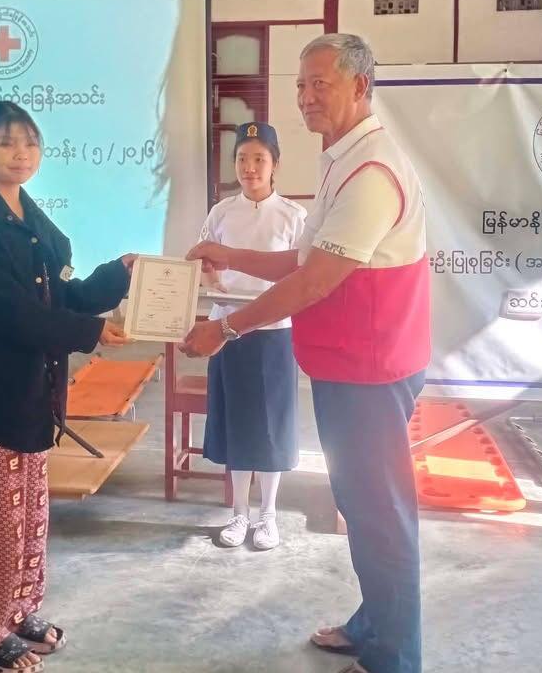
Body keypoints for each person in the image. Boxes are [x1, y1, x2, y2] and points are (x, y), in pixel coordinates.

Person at [182, 33, 430, 673]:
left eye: (320, 83)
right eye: (300, 84)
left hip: (373, 367)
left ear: (360, 86)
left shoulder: (372, 172)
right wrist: (228, 254)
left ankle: (395, 658)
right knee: (358, 499)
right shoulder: (341, 160)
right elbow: (301, 258)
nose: (306, 96)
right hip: (348, 362)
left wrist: (227, 327)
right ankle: (374, 621)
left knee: (380, 509)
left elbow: (316, 280)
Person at [0, 101, 134, 673]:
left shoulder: (32, 218)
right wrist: (91, 333)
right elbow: (13, 314)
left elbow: (62, 295)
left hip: (34, 396)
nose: (20, 153)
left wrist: (120, 273)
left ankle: (19, 611)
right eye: (5, 143)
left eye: (29, 142)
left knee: (27, 519)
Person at [199, 122, 305, 550]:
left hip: (275, 333)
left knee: (272, 427)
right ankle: (238, 514)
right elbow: (205, 256)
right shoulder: (221, 212)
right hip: (227, 331)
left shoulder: (294, 216)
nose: (249, 167)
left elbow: (302, 275)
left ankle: (269, 517)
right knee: (239, 424)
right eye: (242, 158)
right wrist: (213, 276)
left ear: (275, 165)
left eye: (259, 158)